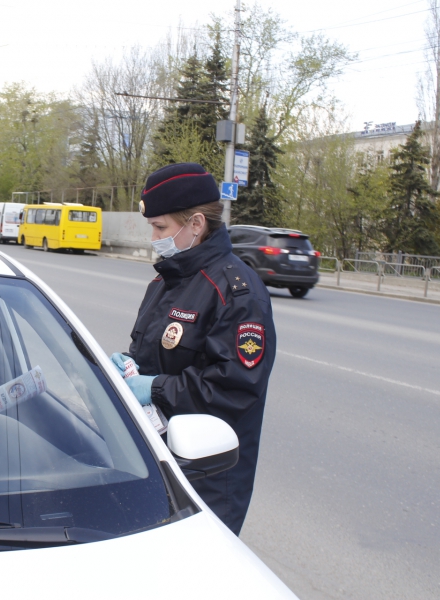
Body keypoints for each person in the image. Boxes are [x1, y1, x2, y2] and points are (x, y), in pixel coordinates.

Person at [110, 162, 276, 536]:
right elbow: (155, 354)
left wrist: (152, 387)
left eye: (161, 227)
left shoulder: (236, 292)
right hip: (160, 456)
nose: (153, 237)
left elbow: (232, 388)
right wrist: (128, 366)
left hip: (209, 476)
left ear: (196, 224)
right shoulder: (168, 279)